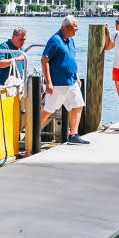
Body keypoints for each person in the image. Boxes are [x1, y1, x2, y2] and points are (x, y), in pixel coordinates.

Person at [40, 15, 90, 145]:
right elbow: (44, 60)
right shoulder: (55, 40)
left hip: (71, 82)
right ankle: (33, 132)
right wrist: (49, 82)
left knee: (78, 105)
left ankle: (73, 135)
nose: (77, 30)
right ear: (67, 27)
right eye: (75, 27)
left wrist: (76, 76)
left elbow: (71, 59)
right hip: (58, 83)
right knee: (48, 110)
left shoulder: (70, 40)